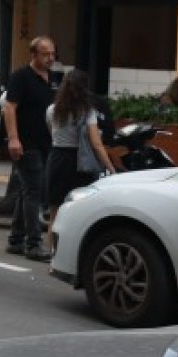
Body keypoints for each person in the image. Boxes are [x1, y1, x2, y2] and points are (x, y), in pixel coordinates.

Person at [3, 36, 58, 261]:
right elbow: (9, 107)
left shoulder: (53, 79)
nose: (50, 58)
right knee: (34, 192)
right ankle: (33, 244)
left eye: (53, 54)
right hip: (27, 143)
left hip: (47, 142)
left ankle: (16, 239)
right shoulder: (21, 77)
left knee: (28, 191)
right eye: (45, 54)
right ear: (33, 55)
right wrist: (13, 139)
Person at [46, 69, 117, 236]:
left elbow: (51, 132)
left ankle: (50, 251)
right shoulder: (87, 112)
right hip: (79, 164)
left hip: (56, 159)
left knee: (55, 211)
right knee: (79, 212)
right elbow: (96, 144)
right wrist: (111, 168)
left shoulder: (52, 109)